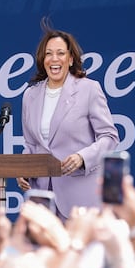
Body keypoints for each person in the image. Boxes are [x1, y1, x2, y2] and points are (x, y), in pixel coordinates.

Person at [17, 18, 119, 218]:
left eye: (60, 53)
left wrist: (83, 157)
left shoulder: (89, 89)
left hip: (80, 198)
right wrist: (23, 168)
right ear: (42, 59)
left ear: (70, 59)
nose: (54, 59)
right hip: (41, 199)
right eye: (48, 54)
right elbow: (30, 144)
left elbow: (110, 137)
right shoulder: (30, 95)